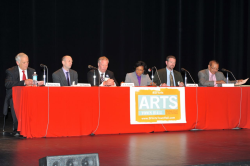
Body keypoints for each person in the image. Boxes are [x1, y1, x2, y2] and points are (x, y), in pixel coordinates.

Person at [4, 53, 43, 135]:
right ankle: (17, 127)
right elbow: (7, 84)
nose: (26, 64)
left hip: (29, 95)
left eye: (27, 62)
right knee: (14, 100)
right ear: (17, 63)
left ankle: (36, 126)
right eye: (24, 62)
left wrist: (38, 83)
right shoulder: (11, 71)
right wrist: (23, 82)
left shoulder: (32, 71)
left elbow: (34, 84)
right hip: (14, 96)